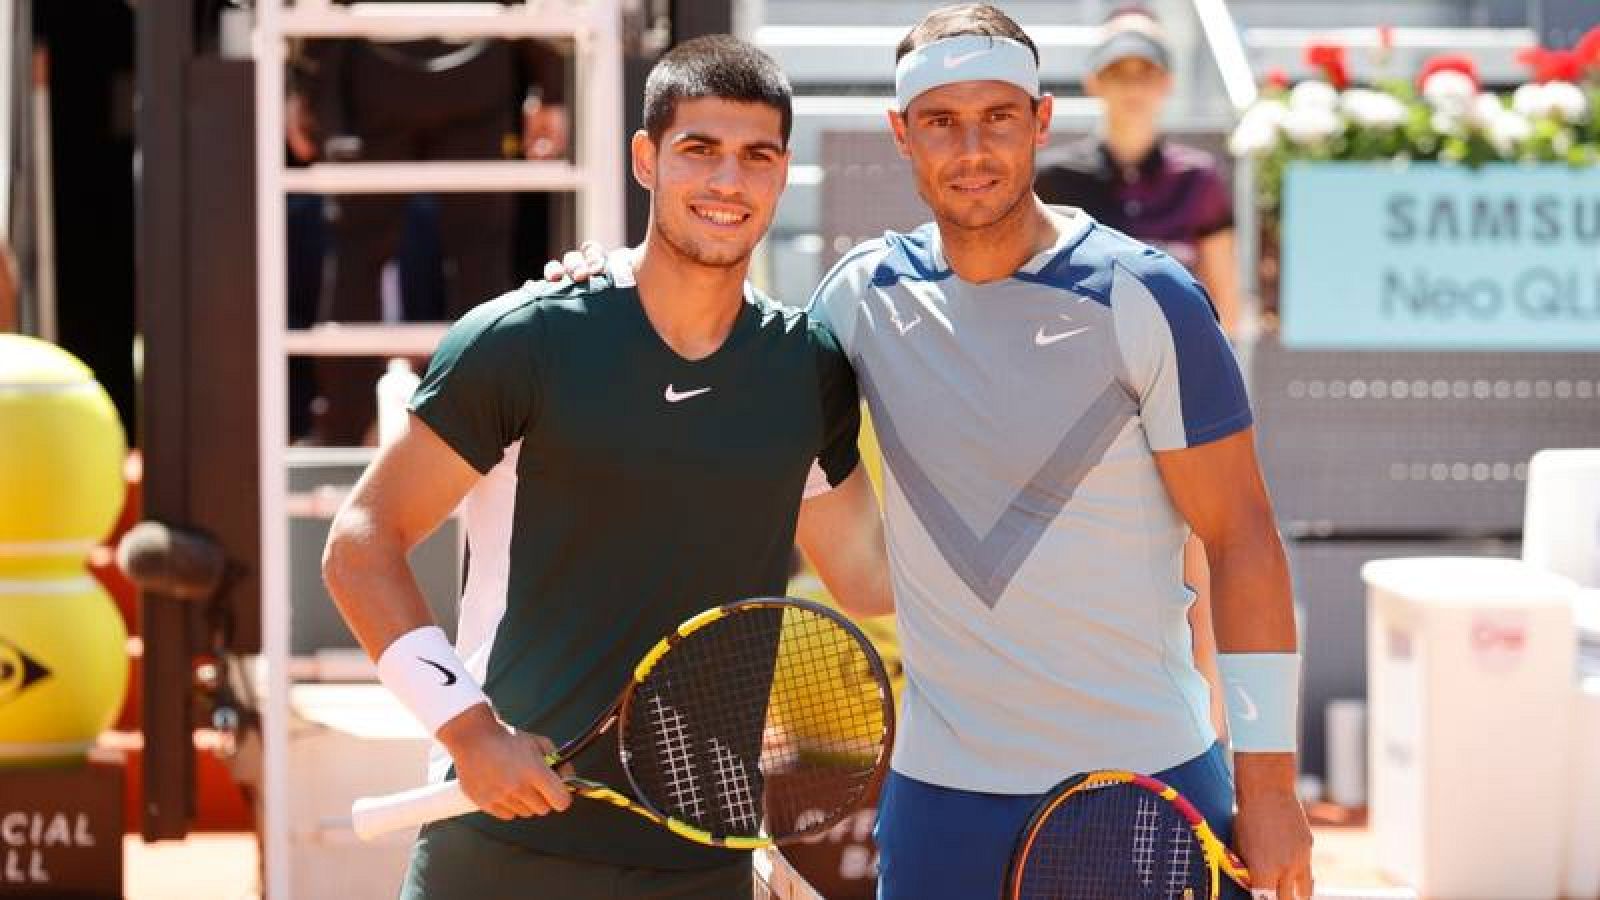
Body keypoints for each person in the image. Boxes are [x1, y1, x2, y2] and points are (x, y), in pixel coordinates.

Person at [554, 6, 1313, 899]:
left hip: (1143, 784)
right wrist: (606, 285)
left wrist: (1270, 784)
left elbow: (1242, 537)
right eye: (942, 121)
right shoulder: (860, 299)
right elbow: (720, 353)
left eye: (998, 117)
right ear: (901, 134)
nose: (972, 149)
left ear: (1041, 121)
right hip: (938, 804)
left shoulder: (1148, 297)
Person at [322, 35, 889, 900]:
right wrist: (470, 734)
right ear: (645, 159)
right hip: (501, 852)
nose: (728, 182)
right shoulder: (526, 340)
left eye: (757, 157)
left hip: (702, 859)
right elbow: (361, 546)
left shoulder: (806, 369)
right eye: (699, 149)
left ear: (782, 174)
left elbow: (872, 577)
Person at [1036, 4, 1246, 741]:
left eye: (1145, 71)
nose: (1132, 85)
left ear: (1166, 83)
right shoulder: (1055, 176)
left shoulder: (1199, 181)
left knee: (1201, 575)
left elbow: (1226, 307)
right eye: (1118, 70)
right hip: (1080, 417)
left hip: (1179, 407)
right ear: (1096, 81)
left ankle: (1208, 747)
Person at [289, 26, 572, 445]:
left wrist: (302, 83)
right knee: (479, 254)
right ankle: (487, 427)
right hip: (475, 62)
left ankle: (343, 430)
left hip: (375, 65)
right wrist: (550, 87)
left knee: (358, 252)